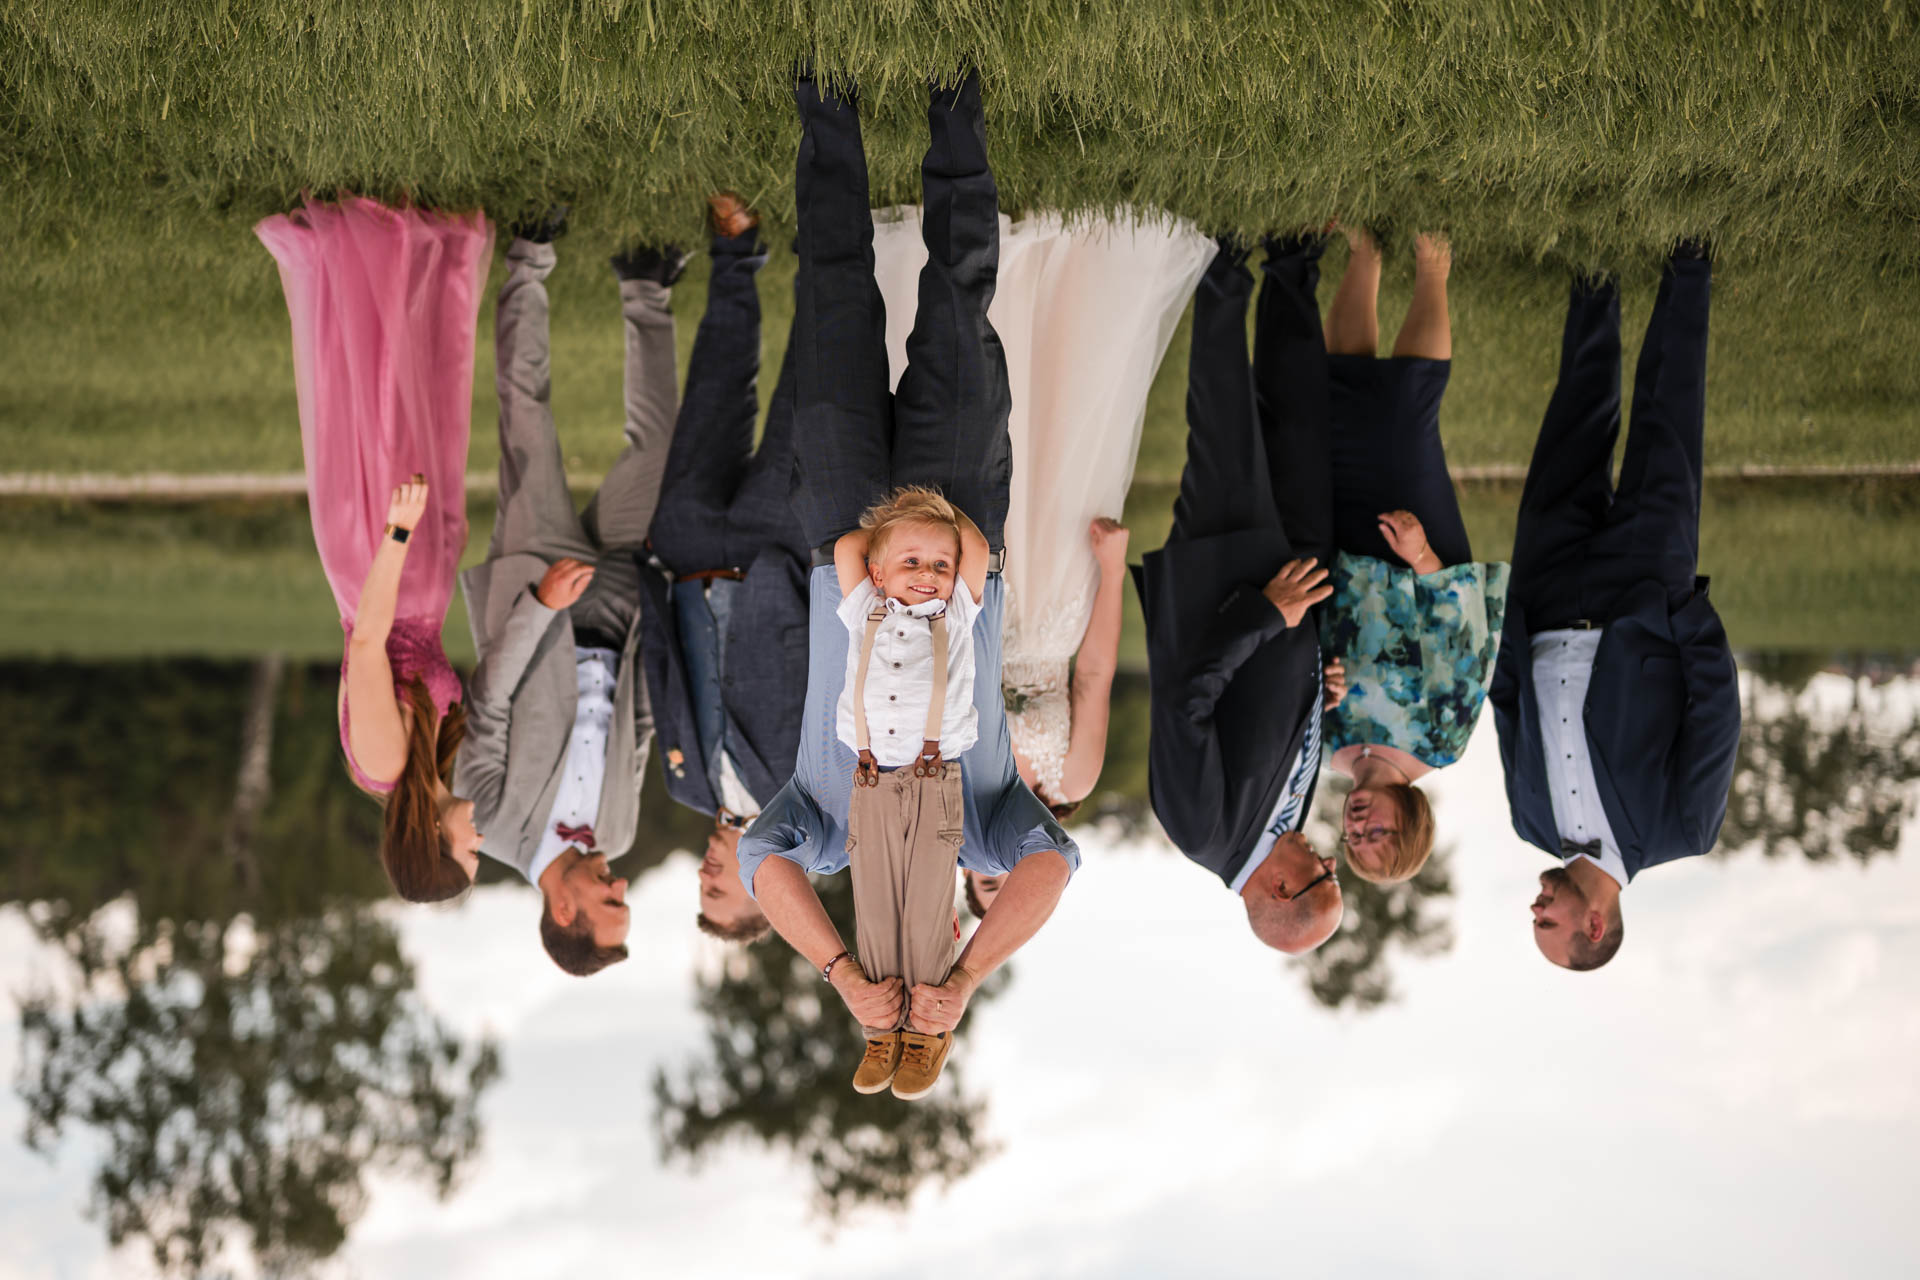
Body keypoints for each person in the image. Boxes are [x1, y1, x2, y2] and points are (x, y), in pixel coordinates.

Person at [738, 67, 1079, 1103]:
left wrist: (844, 972)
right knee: (957, 299)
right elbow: (1059, 868)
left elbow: (761, 867)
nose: (911, 950)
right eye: (928, 953)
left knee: (834, 296)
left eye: (906, 958)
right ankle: (955, 100)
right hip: (957, 520)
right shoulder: (988, 827)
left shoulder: (824, 831)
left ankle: (827, 100)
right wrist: (969, 975)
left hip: (841, 526)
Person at [872, 209, 1214, 841]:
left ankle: (960, 270)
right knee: (1053, 427)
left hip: (973, 592)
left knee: (974, 444)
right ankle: (1049, 264)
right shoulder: (1073, 779)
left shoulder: (956, 781)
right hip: (1057, 590)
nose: (1003, 874)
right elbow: (1094, 674)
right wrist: (1111, 573)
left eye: (985, 883)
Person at [1489, 243, 1740, 972]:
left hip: (1548, 586)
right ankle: (1688, 253)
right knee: (1669, 420)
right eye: (1548, 923)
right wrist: (1677, 608)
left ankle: (1594, 257)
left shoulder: (1527, 820)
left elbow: (1510, 712)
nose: (1535, 909)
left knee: (1576, 412)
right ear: (1593, 927)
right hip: (1644, 588)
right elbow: (1715, 715)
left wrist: (1513, 623)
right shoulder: (1683, 830)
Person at [453, 207, 682, 977]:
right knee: (659, 455)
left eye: (609, 900)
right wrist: (657, 622)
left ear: (564, 910)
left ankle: (530, 255)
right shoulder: (616, 829)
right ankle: (646, 284)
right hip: (620, 608)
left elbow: (486, 700)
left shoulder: (490, 821)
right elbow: (640, 727)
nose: (620, 881)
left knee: (528, 420)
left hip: (541, 594)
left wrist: (543, 603)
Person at [254, 195, 493, 903]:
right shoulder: (430, 763)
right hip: (417, 576)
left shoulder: (384, 766)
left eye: (470, 857)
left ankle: (372, 248)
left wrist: (394, 535)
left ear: (431, 844)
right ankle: (420, 255)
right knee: (423, 407)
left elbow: (366, 645)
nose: (480, 845)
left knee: (379, 408)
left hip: (376, 561)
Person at [1134, 233, 1346, 956]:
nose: (1328, 861)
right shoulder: (1288, 822)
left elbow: (1186, 702)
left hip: (1231, 579)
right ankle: (1293, 260)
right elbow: (1272, 727)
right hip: (1299, 584)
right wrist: (1321, 692)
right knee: (1301, 426)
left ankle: (1224, 254)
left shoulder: (1202, 831)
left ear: (1281, 892)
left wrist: (1266, 611)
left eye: (1323, 878)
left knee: (1223, 420)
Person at [1313, 227, 1510, 885]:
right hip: (1418, 562)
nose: (1360, 824)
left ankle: (1364, 252)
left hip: (1341, 557)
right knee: (1405, 416)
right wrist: (1423, 554)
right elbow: (1468, 646)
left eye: (1355, 839)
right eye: (1379, 834)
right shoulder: (1439, 746)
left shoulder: (1324, 748)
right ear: (1410, 820)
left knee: (1335, 410)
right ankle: (1433, 261)